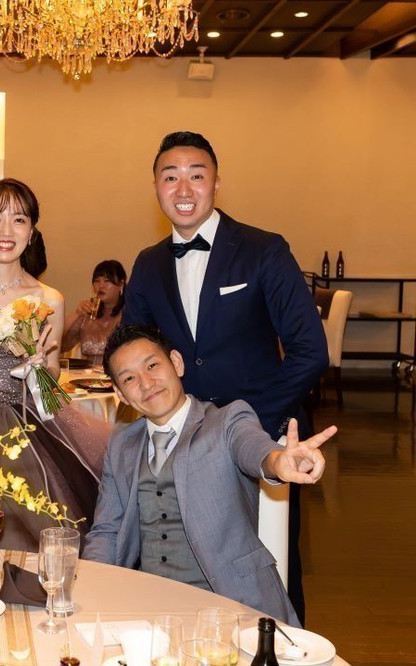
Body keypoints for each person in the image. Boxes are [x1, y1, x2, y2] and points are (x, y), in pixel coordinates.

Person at [121, 131, 328, 620]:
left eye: (197, 175)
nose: (184, 189)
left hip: (263, 438)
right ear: (155, 187)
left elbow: (310, 351)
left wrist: (248, 423)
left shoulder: (263, 250)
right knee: (181, 567)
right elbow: (134, 352)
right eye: (170, 177)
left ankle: (283, 649)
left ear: (217, 183)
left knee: (271, 571)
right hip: (180, 443)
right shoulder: (148, 264)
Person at [83, 325, 337, 627]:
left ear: (177, 363)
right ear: (120, 394)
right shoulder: (122, 443)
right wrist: (89, 587)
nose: (146, 383)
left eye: (152, 366)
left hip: (232, 607)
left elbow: (252, 446)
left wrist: (276, 461)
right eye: (129, 378)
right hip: (151, 610)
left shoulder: (226, 421)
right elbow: (107, 531)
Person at [0, 178, 110, 551]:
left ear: (32, 231)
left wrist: (39, 364)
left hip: (28, 419)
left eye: (19, 220)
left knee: (36, 532)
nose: (6, 231)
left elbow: (52, 375)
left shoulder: (49, 298)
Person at [62, 259, 127, 367]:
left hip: (118, 372)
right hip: (88, 374)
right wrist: (77, 313)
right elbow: (59, 342)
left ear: (121, 284)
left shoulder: (129, 313)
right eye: (97, 281)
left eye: (107, 281)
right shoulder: (89, 313)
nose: (101, 286)